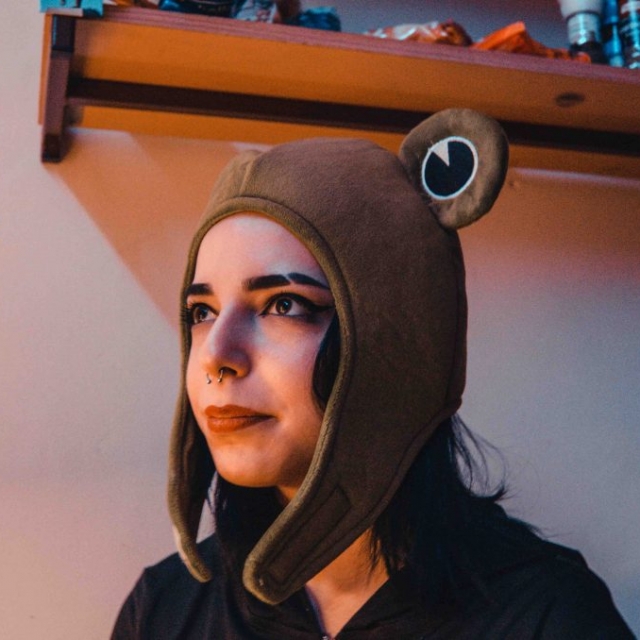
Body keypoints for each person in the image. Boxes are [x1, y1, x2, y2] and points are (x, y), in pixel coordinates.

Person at [111, 109, 634, 639]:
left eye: (284, 305)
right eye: (202, 312)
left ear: (399, 341)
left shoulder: (547, 616)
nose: (216, 356)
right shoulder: (163, 608)